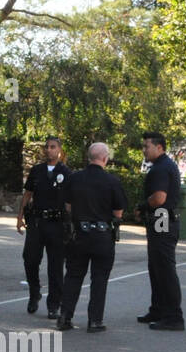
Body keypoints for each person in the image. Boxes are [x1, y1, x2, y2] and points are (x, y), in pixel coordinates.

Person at [56, 143, 126, 332]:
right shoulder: (112, 181)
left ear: (88, 157)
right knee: (99, 278)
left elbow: (68, 206)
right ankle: (95, 321)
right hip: (102, 237)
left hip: (78, 235)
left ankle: (64, 317)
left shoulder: (74, 178)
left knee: (73, 276)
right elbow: (118, 212)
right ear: (105, 158)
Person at [18, 137, 73, 319]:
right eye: (47, 147)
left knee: (56, 266)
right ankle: (34, 293)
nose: (49, 150)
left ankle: (54, 304)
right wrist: (19, 217)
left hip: (57, 224)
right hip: (37, 222)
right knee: (30, 258)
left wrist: (72, 224)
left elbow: (70, 202)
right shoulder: (37, 170)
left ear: (59, 150)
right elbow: (28, 194)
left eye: (53, 147)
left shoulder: (66, 172)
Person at [139, 131, 185, 331]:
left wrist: (142, 206)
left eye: (147, 146)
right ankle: (157, 309)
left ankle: (173, 316)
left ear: (159, 147)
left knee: (164, 268)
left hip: (162, 219)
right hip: (161, 219)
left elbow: (159, 199)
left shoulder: (161, 168)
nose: (144, 150)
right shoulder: (163, 165)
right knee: (156, 267)